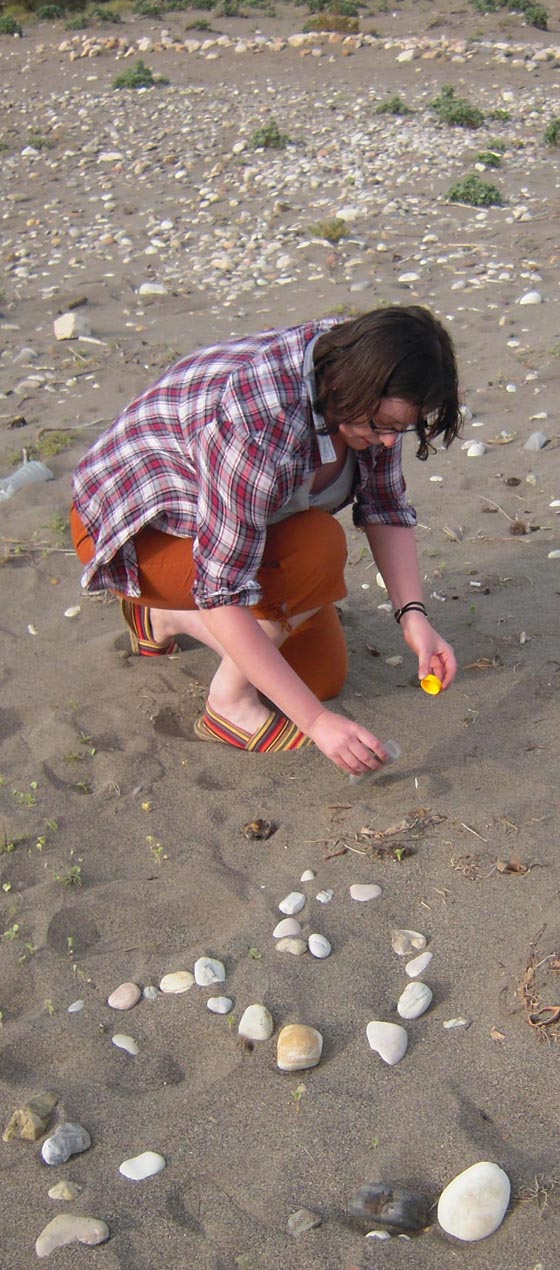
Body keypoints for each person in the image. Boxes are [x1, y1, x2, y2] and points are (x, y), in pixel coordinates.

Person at [71, 305, 461, 776]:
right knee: (319, 548)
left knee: (319, 678)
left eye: (401, 429)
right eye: (383, 426)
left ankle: (164, 618)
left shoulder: (369, 386)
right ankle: (227, 707)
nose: (389, 441)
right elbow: (221, 591)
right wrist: (316, 723)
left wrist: (413, 616)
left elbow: (385, 506)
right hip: (135, 532)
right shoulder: (258, 423)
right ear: (351, 387)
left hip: (228, 533)